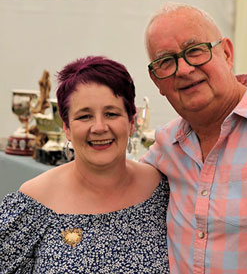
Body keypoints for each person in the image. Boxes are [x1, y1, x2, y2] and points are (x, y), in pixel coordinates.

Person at [0, 56, 169, 273]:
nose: (99, 127)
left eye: (111, 114)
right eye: (85, 116)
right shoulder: (35, 201)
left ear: (132, 122)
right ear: (67, 128)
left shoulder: (161, 191)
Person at [142, 3, 247, 273]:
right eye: (166, 61)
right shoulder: (166, 144)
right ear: (157, 82)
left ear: (226, 53)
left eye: (195, 51)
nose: (184, 69)